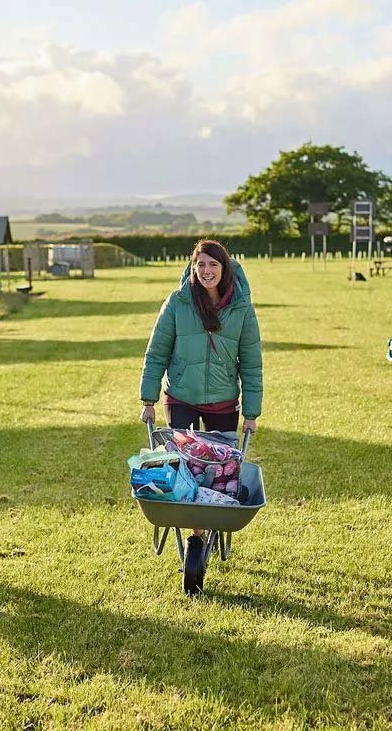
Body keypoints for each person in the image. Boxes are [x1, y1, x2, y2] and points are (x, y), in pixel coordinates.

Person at [138, 240, 263, 574]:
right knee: (185, 466)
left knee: (219, 469)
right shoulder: (178, 303)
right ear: (193, 268)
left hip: (223, 400)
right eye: (201, 265)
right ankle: (197, 530)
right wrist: (148, 400)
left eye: (213, 265)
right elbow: (156, 353)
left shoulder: (241, 308)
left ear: (225, 269)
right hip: (181, 396)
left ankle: (208, 521)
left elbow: (251, 364)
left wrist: (251, 413)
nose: (207, 271)